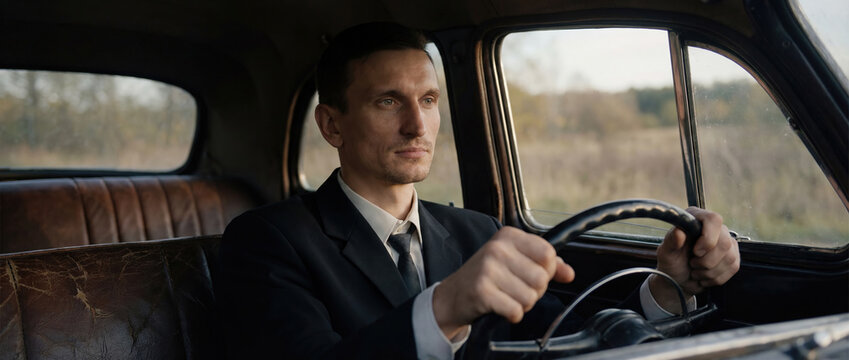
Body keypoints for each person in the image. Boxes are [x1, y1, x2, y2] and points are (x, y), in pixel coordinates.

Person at [216, 22, 740, 359]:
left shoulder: (477, 231)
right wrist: (445, 307)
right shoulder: (267, 240)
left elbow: (566, 336)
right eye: (387, 102)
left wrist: (667, 286)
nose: (417, 128)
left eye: (427, 100)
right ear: (332, 126)